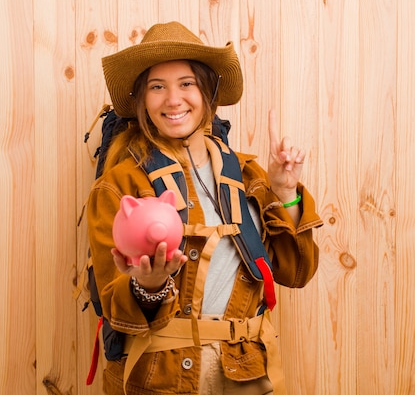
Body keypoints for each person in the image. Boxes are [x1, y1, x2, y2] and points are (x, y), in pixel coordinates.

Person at [86, 21, 323, 395]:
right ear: (142, 101)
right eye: (157, 87)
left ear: (208, 92)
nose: (173, 99)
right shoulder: (120, 186)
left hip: (244, 374)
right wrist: (148, 286)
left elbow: (297, 271)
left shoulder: (247, 175)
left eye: (186, 83)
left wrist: (285, 192)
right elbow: (116, 309)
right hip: (158, 378)